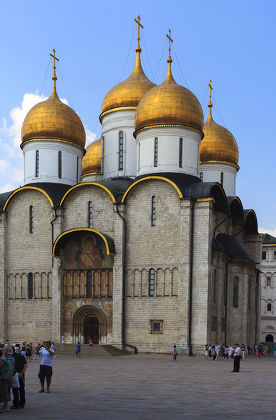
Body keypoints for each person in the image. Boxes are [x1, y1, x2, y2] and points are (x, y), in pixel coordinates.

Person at [0, 344, 15, 411]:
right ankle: (6, 405)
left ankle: (6, 406)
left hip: (4, 377)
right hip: (10, 376)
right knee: (8, 391)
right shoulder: (13, 358)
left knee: (4, 391)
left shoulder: (3, 359)